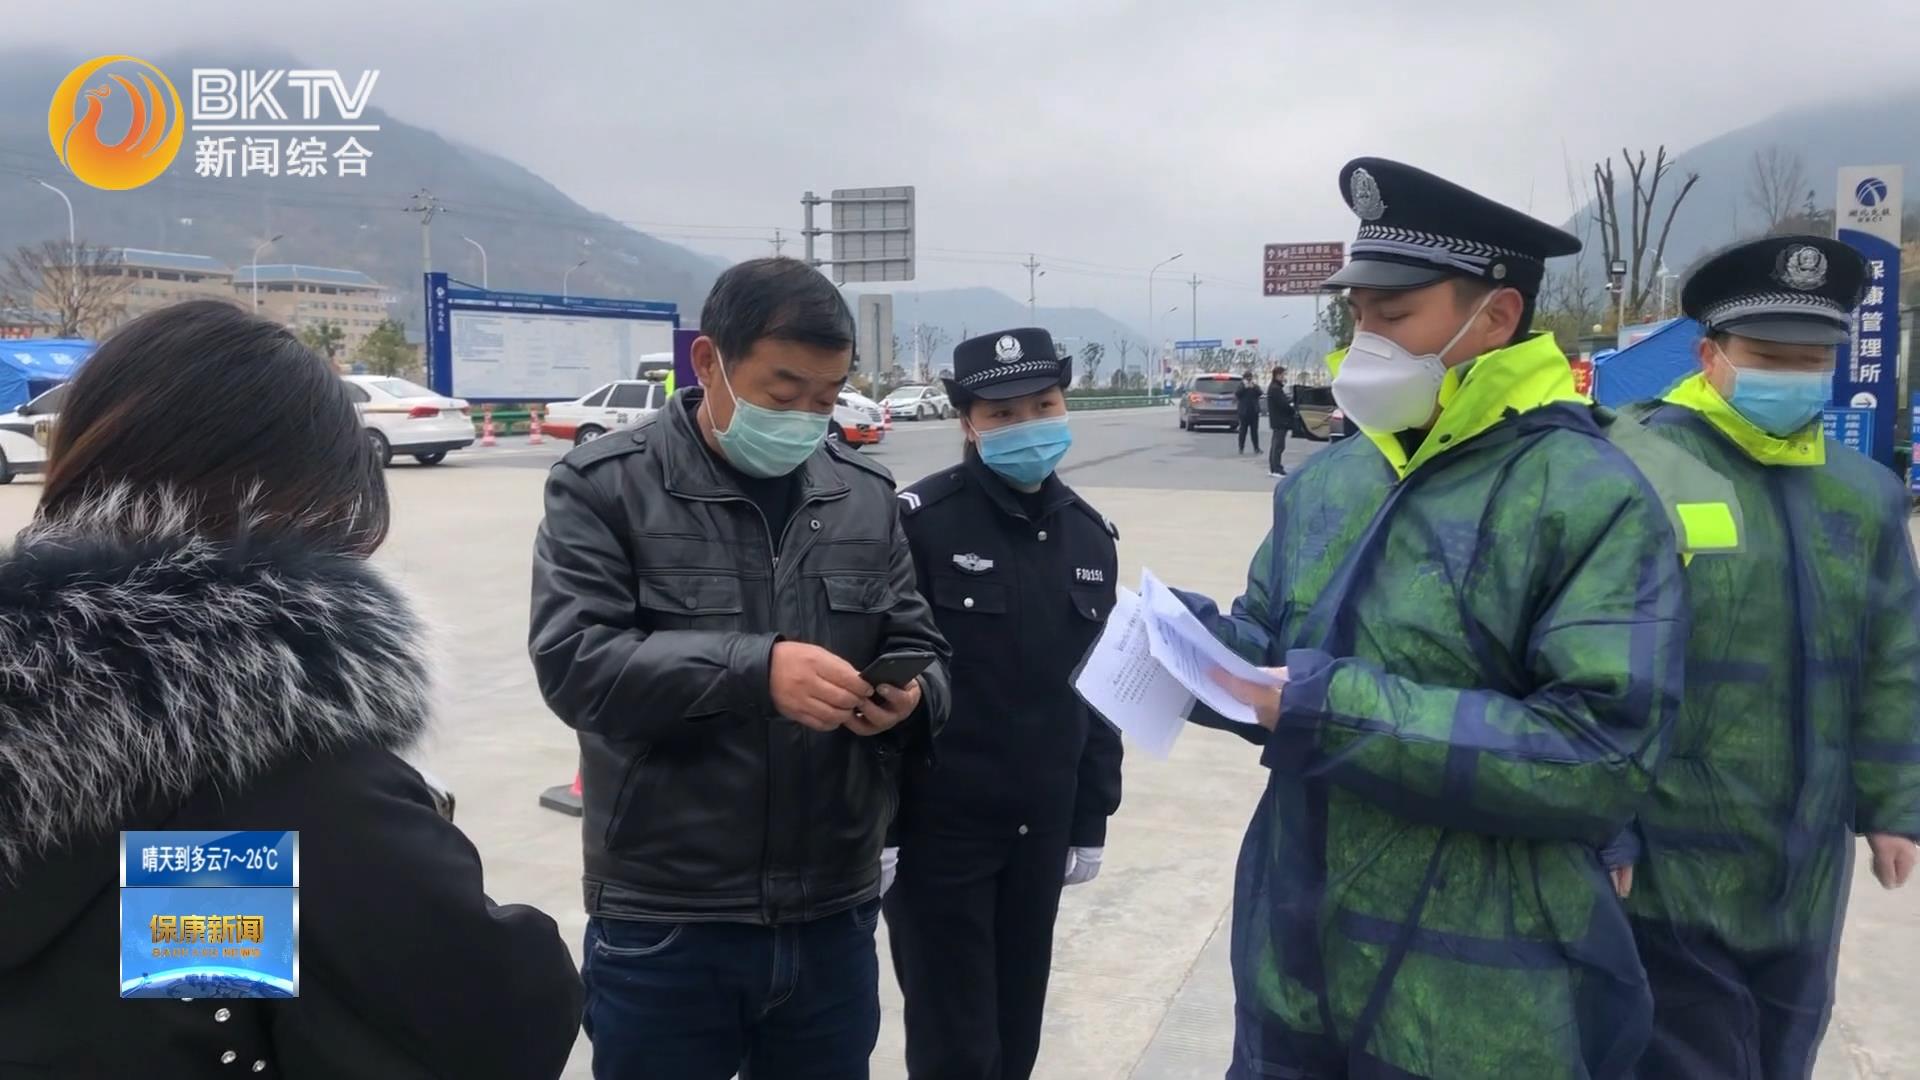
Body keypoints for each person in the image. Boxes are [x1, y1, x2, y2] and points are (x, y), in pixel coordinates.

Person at [1179, 158, 1737, 1078]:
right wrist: (1191, 649)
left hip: (1476, 993)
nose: (1367, 342)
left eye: (1395, 316)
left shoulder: (1586, 496)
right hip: (1294, 962)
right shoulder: (1333, 480)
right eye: (1359, 317)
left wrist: (1327, 707)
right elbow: (1276, 656)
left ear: (1498, 316)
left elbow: (1599, 756)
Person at [0, 300, 583, 1079]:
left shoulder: (152, 790)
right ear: (313, 516)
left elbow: (185, 1000)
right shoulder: (273, 783)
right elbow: (497, 1022)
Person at [528, 257, 951, 1080]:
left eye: (826, 398)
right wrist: (755, 671)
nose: (805, 417)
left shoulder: (862, 494)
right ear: (708, 361)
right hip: (669, 917)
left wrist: (913, 696)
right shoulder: (605, 487)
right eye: (782, 393)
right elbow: (576, 663)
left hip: (832, 911)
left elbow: (923, 643)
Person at [1617, 236, 1920, 1078]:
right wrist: (1609, 831)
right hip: (1670, 860)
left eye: (1812, 360)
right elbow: (1597, 665)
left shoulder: (1861, 493)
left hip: (1804, 865)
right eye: (1768, 358)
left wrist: (1894, 803)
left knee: (1785, 1052)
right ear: (1709, 356)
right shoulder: (1638, 468)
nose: (1794, 377)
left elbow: (1893, 657)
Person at [884, 328, 1123, 1080]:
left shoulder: (1090, 536)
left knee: (1016, 1037)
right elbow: (883, 679)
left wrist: (1091, 814)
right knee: (956, 1046)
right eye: (1003, 414)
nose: (1028, 426)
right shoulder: (919, 523)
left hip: (1039, 831)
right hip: (939, 834)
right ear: (968, 421)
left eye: (1043, 406)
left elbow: (1101, 690)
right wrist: (880, 827)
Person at [1265, 367, 1296, 477]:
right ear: (1277, 375)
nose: (1284, 377)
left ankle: (1274, 467)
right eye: (1283, 375)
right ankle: (1276, 468)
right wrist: (1292, 409)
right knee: (1278, 446)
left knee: (1276, 445)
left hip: (1277, 420)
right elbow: (1283, 405)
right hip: (1280, 420)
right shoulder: (1275, 389)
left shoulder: (1275, 387)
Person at [1235, 371, 1264, 455]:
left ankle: (1256, 448)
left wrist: (1253, 387)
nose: (1249, 379)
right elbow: (1237, 394)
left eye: (1250, 377)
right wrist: (1245, 387)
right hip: (1244, 412)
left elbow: (1260, 393)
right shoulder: (1241, 385)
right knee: (1243, 431)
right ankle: (1241, 448)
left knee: (1254, 431)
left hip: (1254, 412)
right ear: (1244, 378)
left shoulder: (1254, 385)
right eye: (1247, 377)